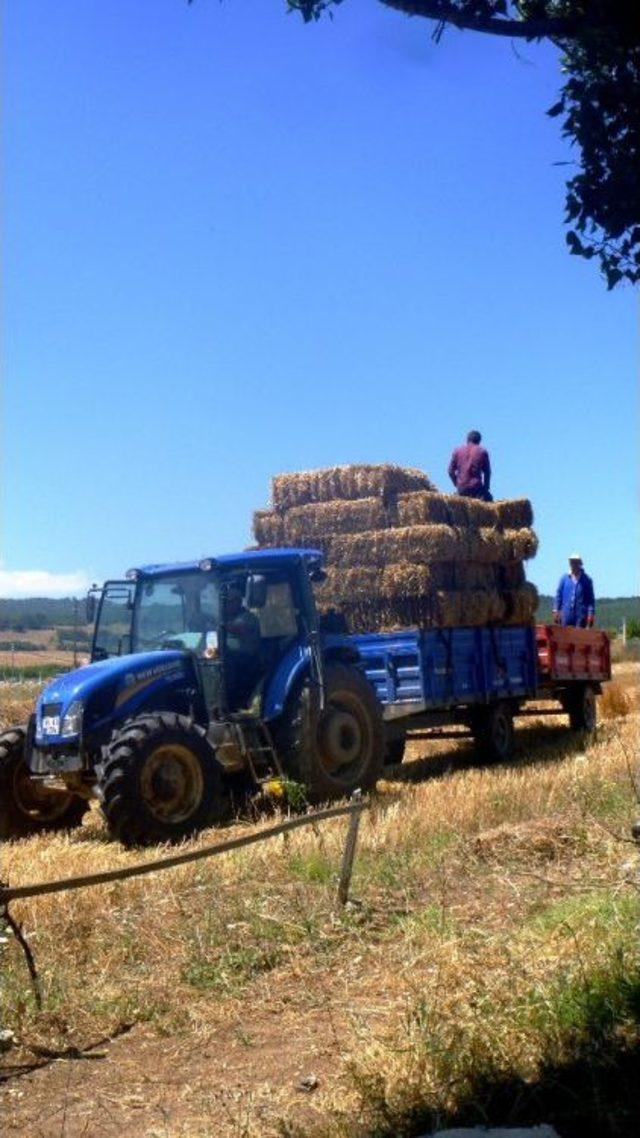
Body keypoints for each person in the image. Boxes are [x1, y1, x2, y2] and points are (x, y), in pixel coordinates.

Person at [223, 583, 262, 708]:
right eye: (225, 602)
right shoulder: (227, 618)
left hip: (247, 661)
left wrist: (212, 622)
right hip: (232, 658)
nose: (227, 605)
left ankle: (234, 704)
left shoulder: (248, 618)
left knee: (227, 661)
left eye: (230, 602)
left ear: (239, 601)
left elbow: (235, 628)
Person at [553, 555, 595, 628]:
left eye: (576, 562)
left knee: (578, 637)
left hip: (581, 615)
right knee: (564, 636)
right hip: (565, 614)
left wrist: (590, 614)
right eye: (572, 562)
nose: (574, 564)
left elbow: (590, 600)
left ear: (580, 564)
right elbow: (558, 595)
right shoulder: (564, 578)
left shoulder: (587, 580)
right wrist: (555, 610)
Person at [448, 430, 492, 500]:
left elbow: (450, 471)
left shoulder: (457, 451)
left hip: (462, 489)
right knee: (490, 501)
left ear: (467, 440)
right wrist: (486, 488)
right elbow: (487, 472)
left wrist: (457, 484)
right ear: (479, 441)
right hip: (476, 489)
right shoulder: (482, 451)